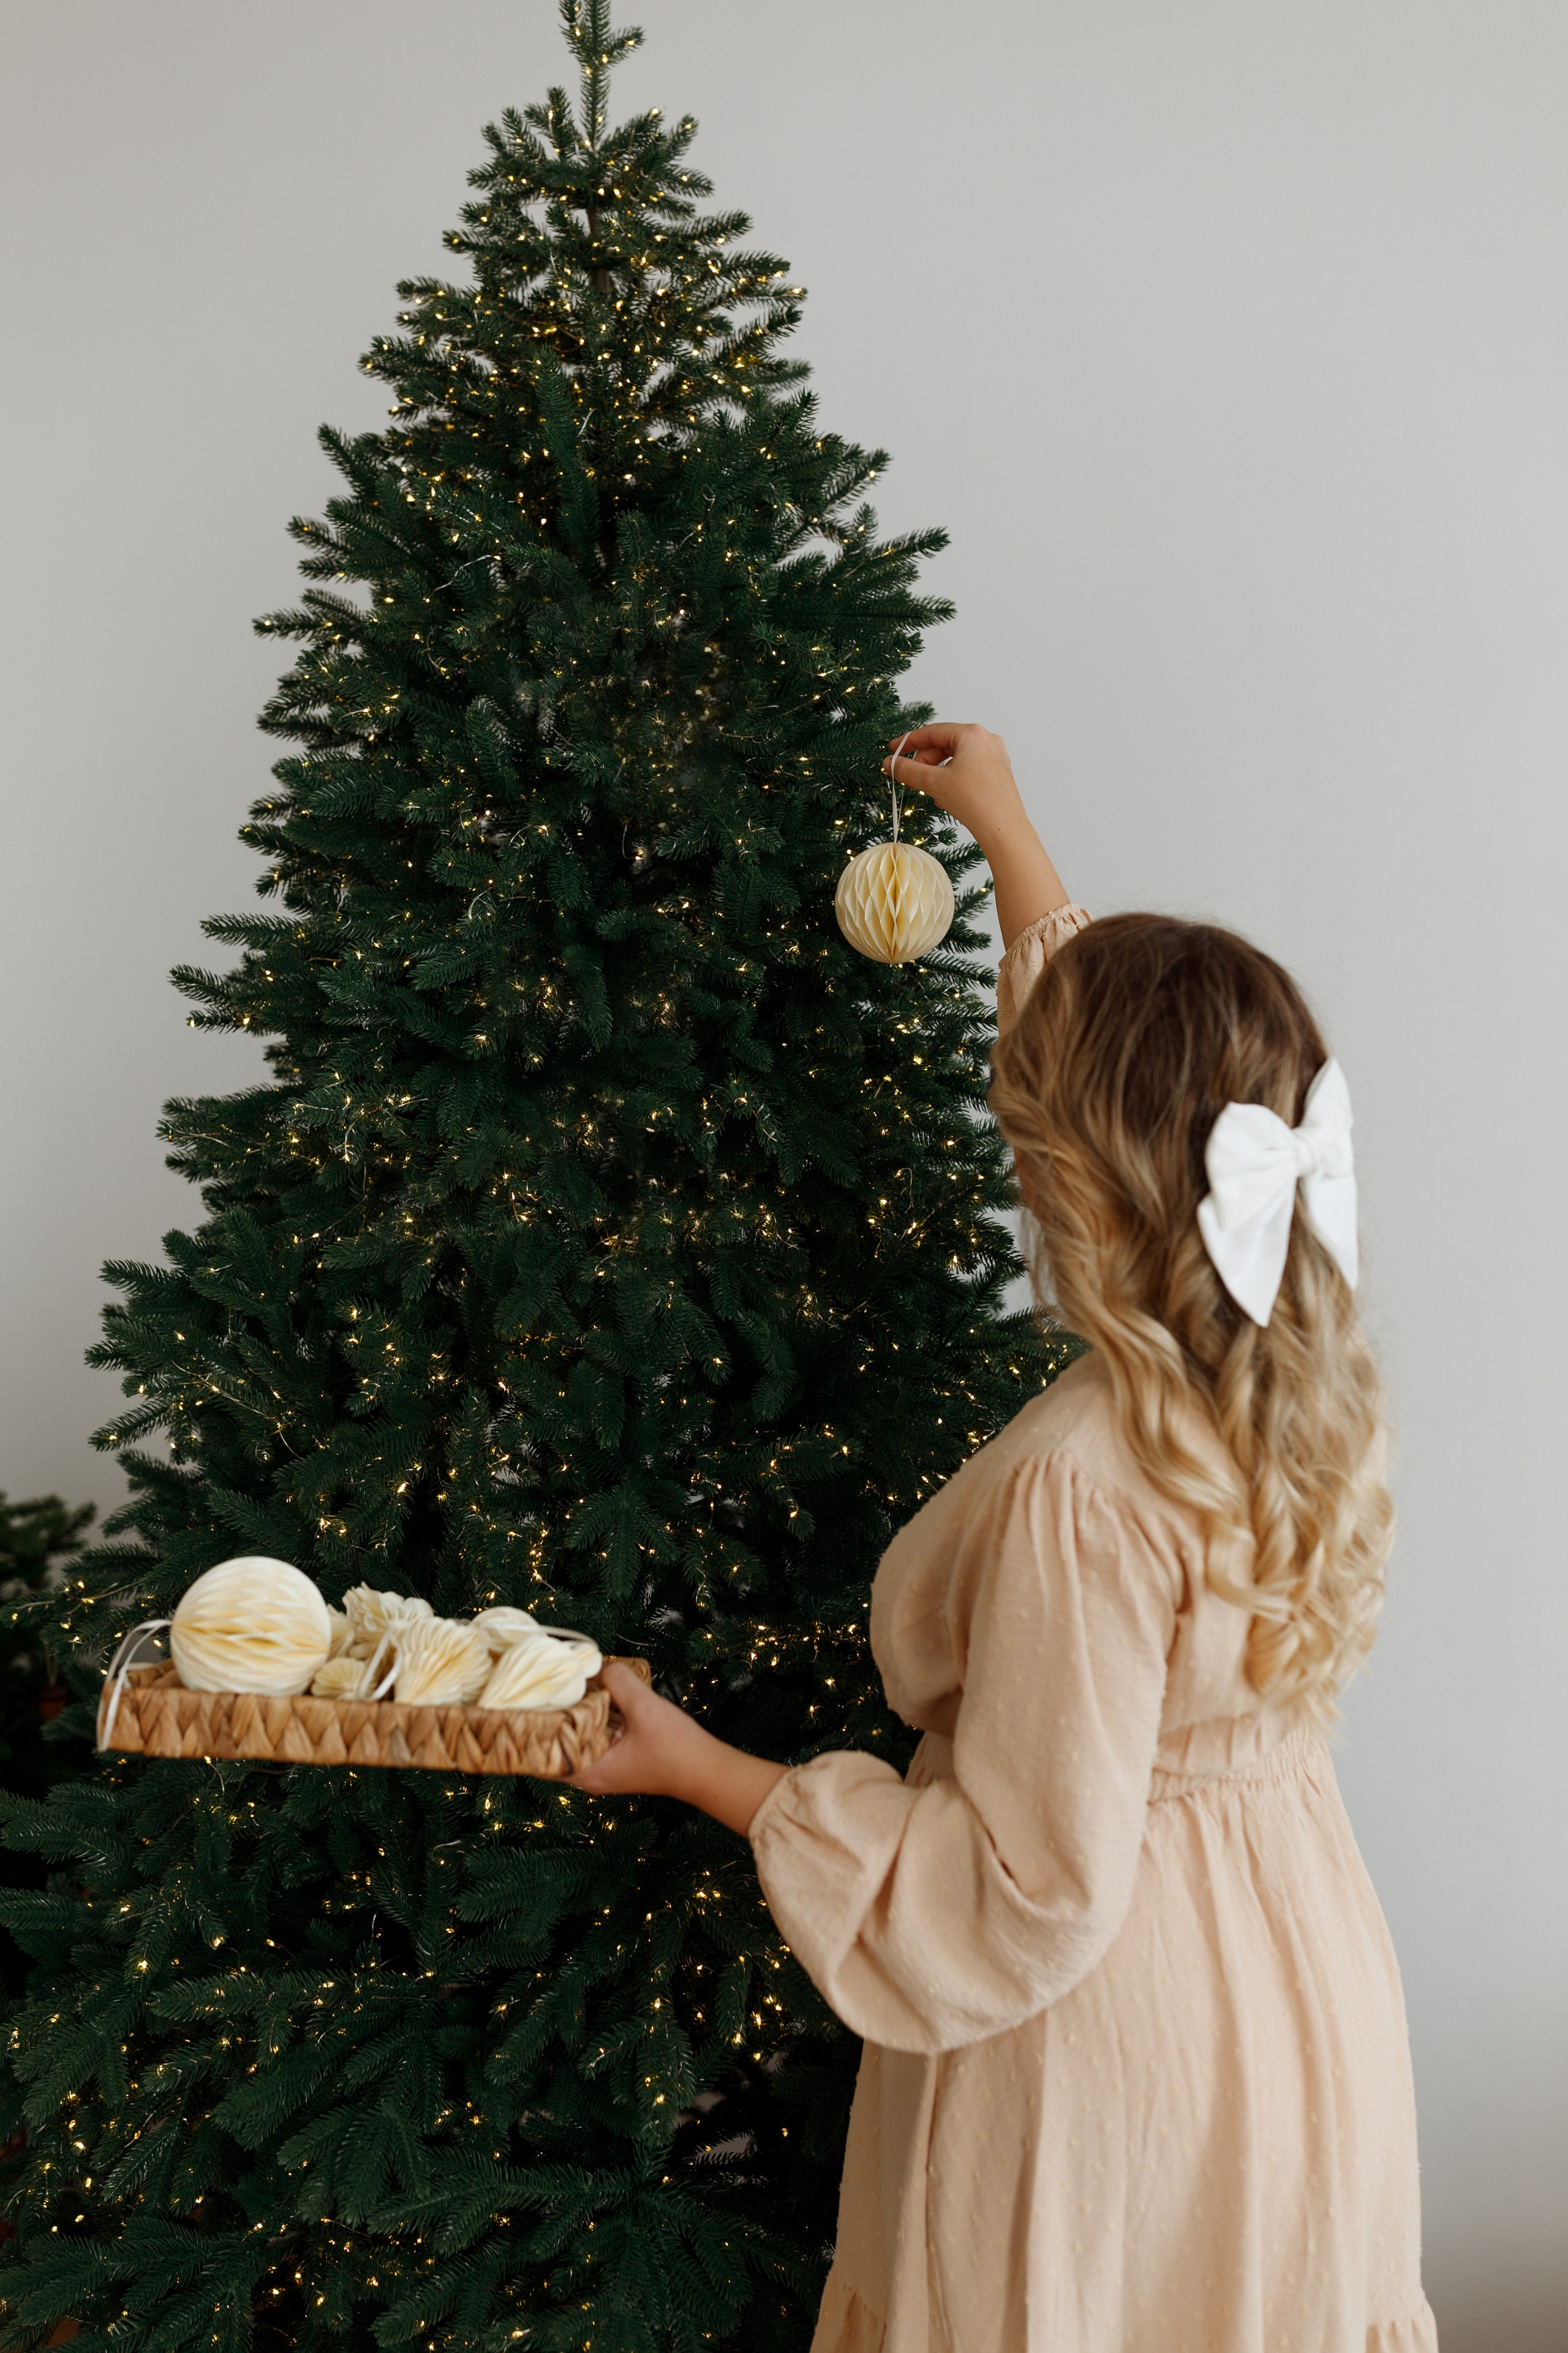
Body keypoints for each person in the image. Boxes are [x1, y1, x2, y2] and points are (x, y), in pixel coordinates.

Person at [574, 723, 1437, 2353]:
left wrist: (712, 1774)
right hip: (1298, 1997)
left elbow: (1025, 1891)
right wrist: (1007, 838)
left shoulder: (1080, 1487)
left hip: (1107, 2053)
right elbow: (1128, 1073)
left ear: (1070, 1176)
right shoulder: (1304, 1360)